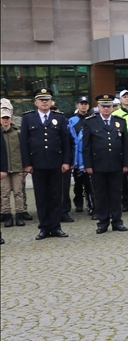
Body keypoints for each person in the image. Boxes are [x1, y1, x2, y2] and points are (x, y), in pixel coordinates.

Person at [20, 88, 72, 240]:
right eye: (41, 99)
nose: (44, 102)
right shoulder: (28, 118)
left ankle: (56, 227)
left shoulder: (60, 118)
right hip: (37, 164)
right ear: (35, 102)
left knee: (56, 196)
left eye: (47, 99)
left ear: (51, 102)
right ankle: (44, 228)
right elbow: (24, 143)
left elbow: (65, 142)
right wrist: (27, 164)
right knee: (41, 197)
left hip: (56, 163)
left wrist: (66, 161)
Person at [82, 94, 128, 233]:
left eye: (109, 106)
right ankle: (102, 222)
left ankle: (117, 221)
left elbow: (125, 145)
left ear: (113, 107)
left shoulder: (120, 121)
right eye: (103, 106)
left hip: (116, 163)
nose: (106, 109)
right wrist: (88, 165)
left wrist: (126, 163)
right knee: (100, 194)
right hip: (98, 165)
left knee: (116, 193)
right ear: (98, 107)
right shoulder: (90, 122)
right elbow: (86, 146)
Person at [1, 103, 28, 227]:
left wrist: (25, 166)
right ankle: (7, 215)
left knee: (18, 192)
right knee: (4, 193)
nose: (5, 120)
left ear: (11, 118)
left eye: (7, 118)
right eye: (3, 118)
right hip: (3, 169)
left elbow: (24, 149)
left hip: (17, 167)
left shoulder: (17, 132)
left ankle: (19, 215)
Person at [68, 95, 94, 217]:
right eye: (81, 103)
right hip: (77, 159)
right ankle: (78, 203)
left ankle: (91, 206)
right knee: (78, 184)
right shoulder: (72, 120)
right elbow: (71, 141)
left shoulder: (93, 119)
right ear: (77, 105)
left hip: (89, 157)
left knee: (90, 184)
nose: (83, 105)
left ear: (88, 106)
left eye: (85, 103)